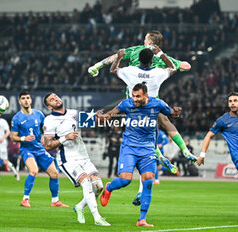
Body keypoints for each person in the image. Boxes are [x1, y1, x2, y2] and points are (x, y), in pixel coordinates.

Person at [110, 47, 197, 205]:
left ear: (139, 59)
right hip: (152, 108)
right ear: (151, 60)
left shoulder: (130, 71)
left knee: (143, 141)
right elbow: (173, 68)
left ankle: (160, 157)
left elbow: (113, 70)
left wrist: (119, 57)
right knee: (164, 125)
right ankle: (182, 150)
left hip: (133, 110)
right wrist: (161, 54)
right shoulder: (157, 72)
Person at [98, 83, 181, 227]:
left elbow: (171, 114)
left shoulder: (157, 104)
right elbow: (110, 114)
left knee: (148, 181)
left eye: (138, 96)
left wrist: (176, 112)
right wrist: (102, 117)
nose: (135, 99)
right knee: (125, 180)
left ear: (146, 96)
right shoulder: (126, 104)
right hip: (129, 147)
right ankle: (109, 187)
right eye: (133, 96)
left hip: (148, 149)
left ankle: (142, 219)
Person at [43, 92, 110, 226]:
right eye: (51, 99)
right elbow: (48, 145)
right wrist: (64, 138)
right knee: (86, 183)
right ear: (50, 107)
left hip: (83, 156)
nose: (55, 99)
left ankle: (79, 207)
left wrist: (100, 116)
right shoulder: (49, 120)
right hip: (67, 159)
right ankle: (97, 218)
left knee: (98, 186)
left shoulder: (73, 113)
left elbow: (95, 120)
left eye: (56, 96)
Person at [10, 91, 68, 208]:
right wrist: (23, 138)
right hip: (27, 150)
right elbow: (13, 137)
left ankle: (55, 201)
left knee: (55, 173)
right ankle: (25, 199)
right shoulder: (17, 118)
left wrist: (44, 136)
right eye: (23, 98)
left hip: (40, 149)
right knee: (34, 171)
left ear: (31, 100)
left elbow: (46, 128)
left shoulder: (39, 114)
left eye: (27, 98)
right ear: (19, 101)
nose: (26, 100)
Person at [88, 30, 191, 77]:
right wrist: (176, 63)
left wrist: (97, 66)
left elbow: (115, 57)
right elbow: (187, 66)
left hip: (133, 95)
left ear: (149, 42)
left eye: (145, 39)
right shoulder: (163, 57)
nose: (144, 41)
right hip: (151, 98)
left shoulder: (136, 50)